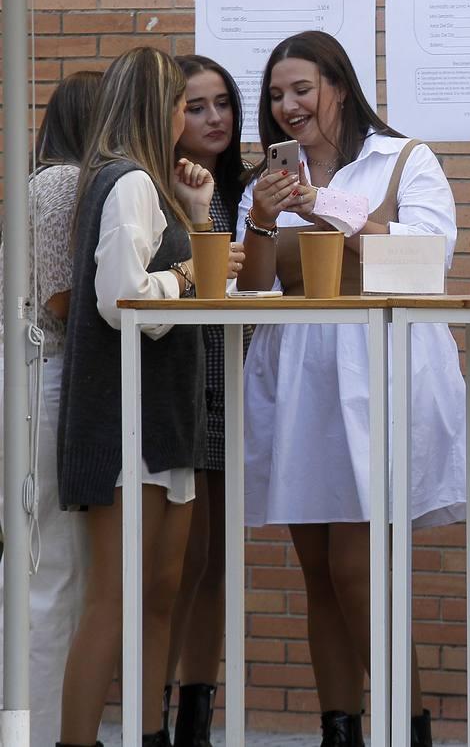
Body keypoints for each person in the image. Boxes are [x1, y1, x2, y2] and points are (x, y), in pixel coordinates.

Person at [235, 30, 465, 747]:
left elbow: (429, 258)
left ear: (339, 84)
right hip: (300, 374)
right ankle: (341, 729)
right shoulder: (268, 179)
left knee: (356, 566)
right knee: (318, 572)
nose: (288, 105)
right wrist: (264, 219)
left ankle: (409, 726)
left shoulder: (403, 158)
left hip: (379, 370)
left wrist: (324, 204)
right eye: (276, 95)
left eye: (301, 89)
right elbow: (251, 291)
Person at [56, 47, 242, 747]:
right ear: (155, 109)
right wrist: (189, 276)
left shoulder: (146, 184)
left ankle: (146, 735)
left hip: (161, 419)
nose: (187, 119)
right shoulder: (128, 182)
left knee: (157, 595)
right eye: (179, 104)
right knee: (116, 598)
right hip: (126, 423)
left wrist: (197, 215)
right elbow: (123, 301)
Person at [0, 71, 102, 747]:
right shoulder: (65, 183)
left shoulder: (49, 179)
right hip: (50, 374)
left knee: (45, 566)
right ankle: (38, 730)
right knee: (54, 568)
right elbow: (62, 300)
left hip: (37, 372)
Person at [162, 54, 250, 746]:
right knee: (177, 566)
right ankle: (153, 718)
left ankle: (196, 715)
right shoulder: (158, 186)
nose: (214, 118)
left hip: (229, 384)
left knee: (215, 561)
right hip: (180, 391)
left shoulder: (239, 186)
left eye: (222, 103)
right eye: (197, 106)